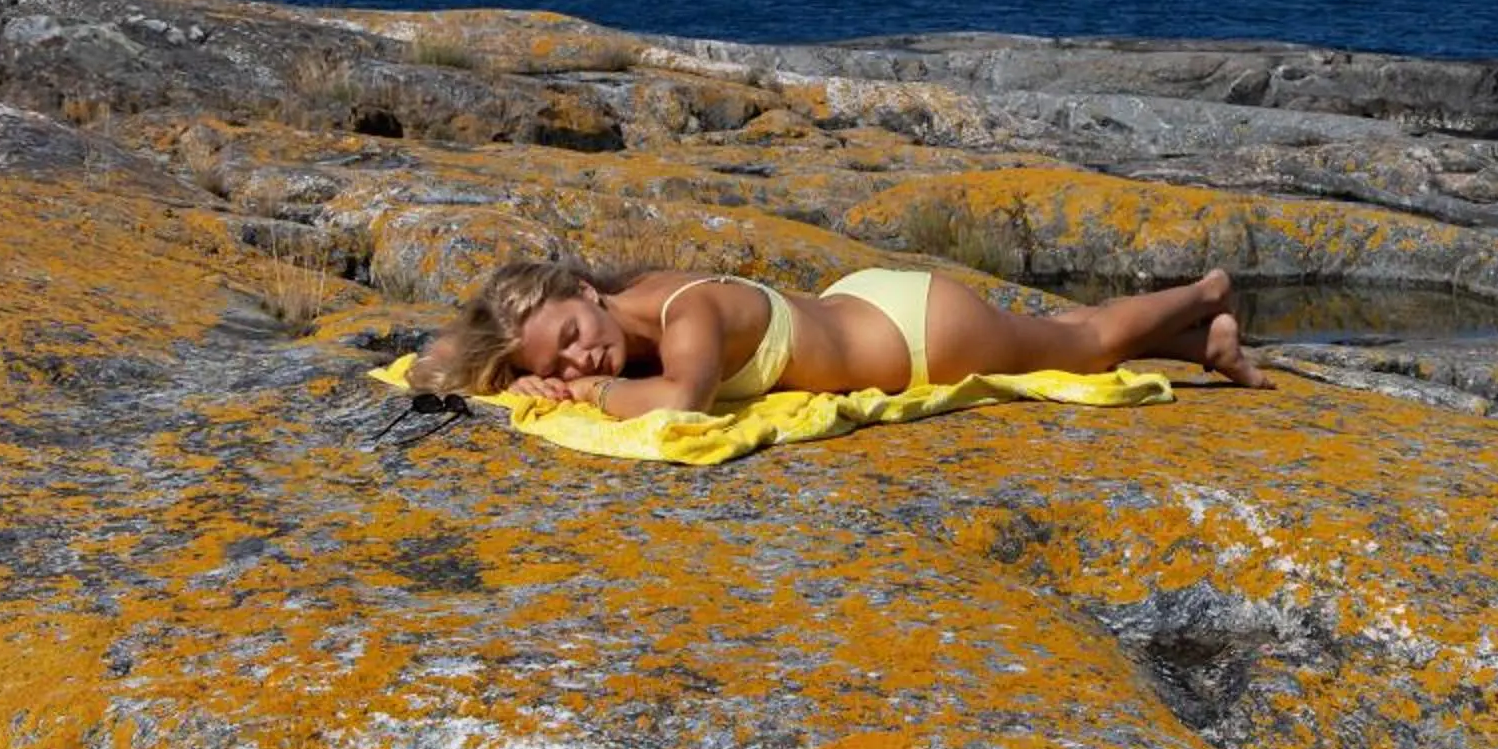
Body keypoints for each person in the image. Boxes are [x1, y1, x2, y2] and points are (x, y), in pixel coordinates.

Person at [407, 258, 1265, 418]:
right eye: (555, 361)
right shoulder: (633, 302)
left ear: (585, 292)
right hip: (857, 307)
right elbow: (434, 364)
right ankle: (1204, 344)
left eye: (569, 334)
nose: (578, 359)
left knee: (1082, 345)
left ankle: (1203, 291)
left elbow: (681, 401)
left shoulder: (685, 317)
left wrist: (589, 396)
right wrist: (510, 373)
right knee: (1062, 333)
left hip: (919, 334)